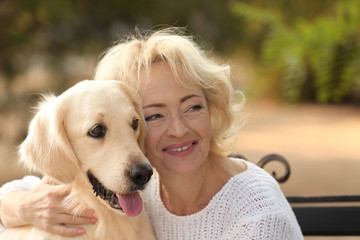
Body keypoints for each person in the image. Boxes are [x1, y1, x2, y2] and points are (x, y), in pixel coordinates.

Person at [0, 28, 303, 239]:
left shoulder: (260, 219)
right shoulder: (141, 176)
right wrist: (23, 208)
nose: (178, 129)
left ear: (214, 109)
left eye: (193, 107)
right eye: (153, 116)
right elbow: (16, 192)